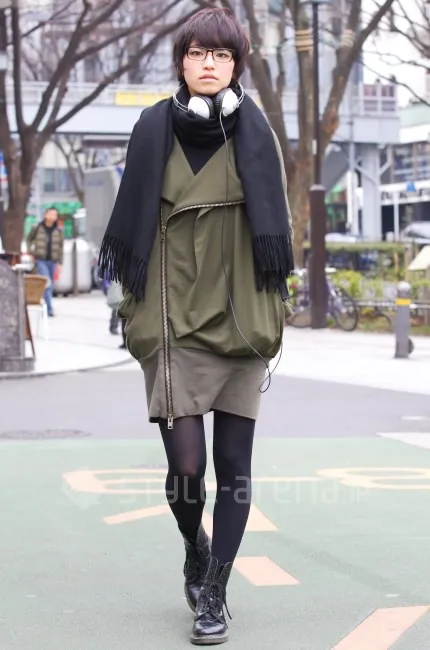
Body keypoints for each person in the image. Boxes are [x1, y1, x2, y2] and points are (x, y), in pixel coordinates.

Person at [98, 7, 293, 646]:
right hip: (172, 314)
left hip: (240, 317)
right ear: (181, 61)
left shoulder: (256, 131)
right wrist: (133, 309)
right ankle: (194, 546)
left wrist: (275, 310)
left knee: (234, 465)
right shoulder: (152, 128)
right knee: (187, 467)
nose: (209, 64)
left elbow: (278, 230)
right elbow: (130, 224)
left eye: (222, 54)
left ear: (236, 65)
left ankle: (215, 590)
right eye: (197, 53)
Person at [27, 207, 64, 317]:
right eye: (51, 214)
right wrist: (31, 252)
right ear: (45, 215)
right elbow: (29, 239)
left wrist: (60, 263)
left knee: (50, 285)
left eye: (55, 215)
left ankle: (45, 305)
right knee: (47, 282)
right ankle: (49, 309)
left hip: (53, 261)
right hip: (41, 260)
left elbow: (61, 247)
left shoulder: (59, 230)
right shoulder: (37, 227)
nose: (53, 216)